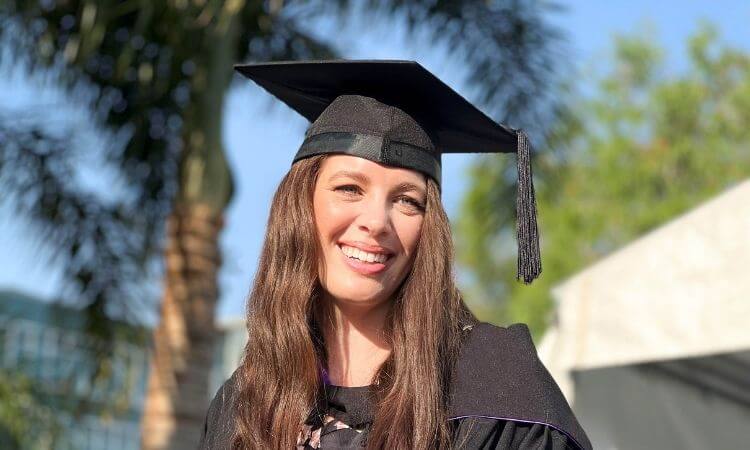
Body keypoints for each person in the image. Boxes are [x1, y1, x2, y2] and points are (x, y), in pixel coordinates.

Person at [198, 60, 591, 449]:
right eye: (349, 188)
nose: (376, 221)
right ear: (300, 207)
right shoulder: (246, 401)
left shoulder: (497, 386)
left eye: (406, 200)